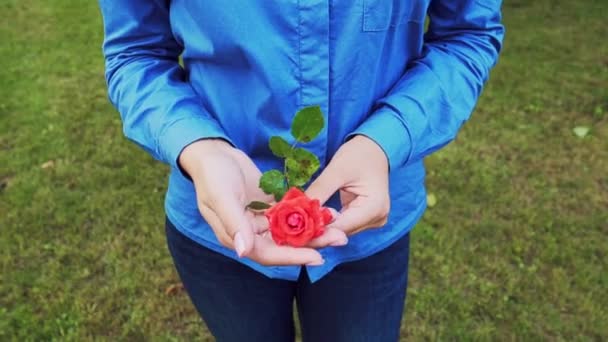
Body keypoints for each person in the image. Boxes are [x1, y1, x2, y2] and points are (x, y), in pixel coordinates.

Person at [98, 1, 504, 341]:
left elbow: (467, 35)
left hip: (368, 230)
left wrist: (387, 138)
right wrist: (199, 148)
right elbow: (137, 52)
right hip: (222, 227)